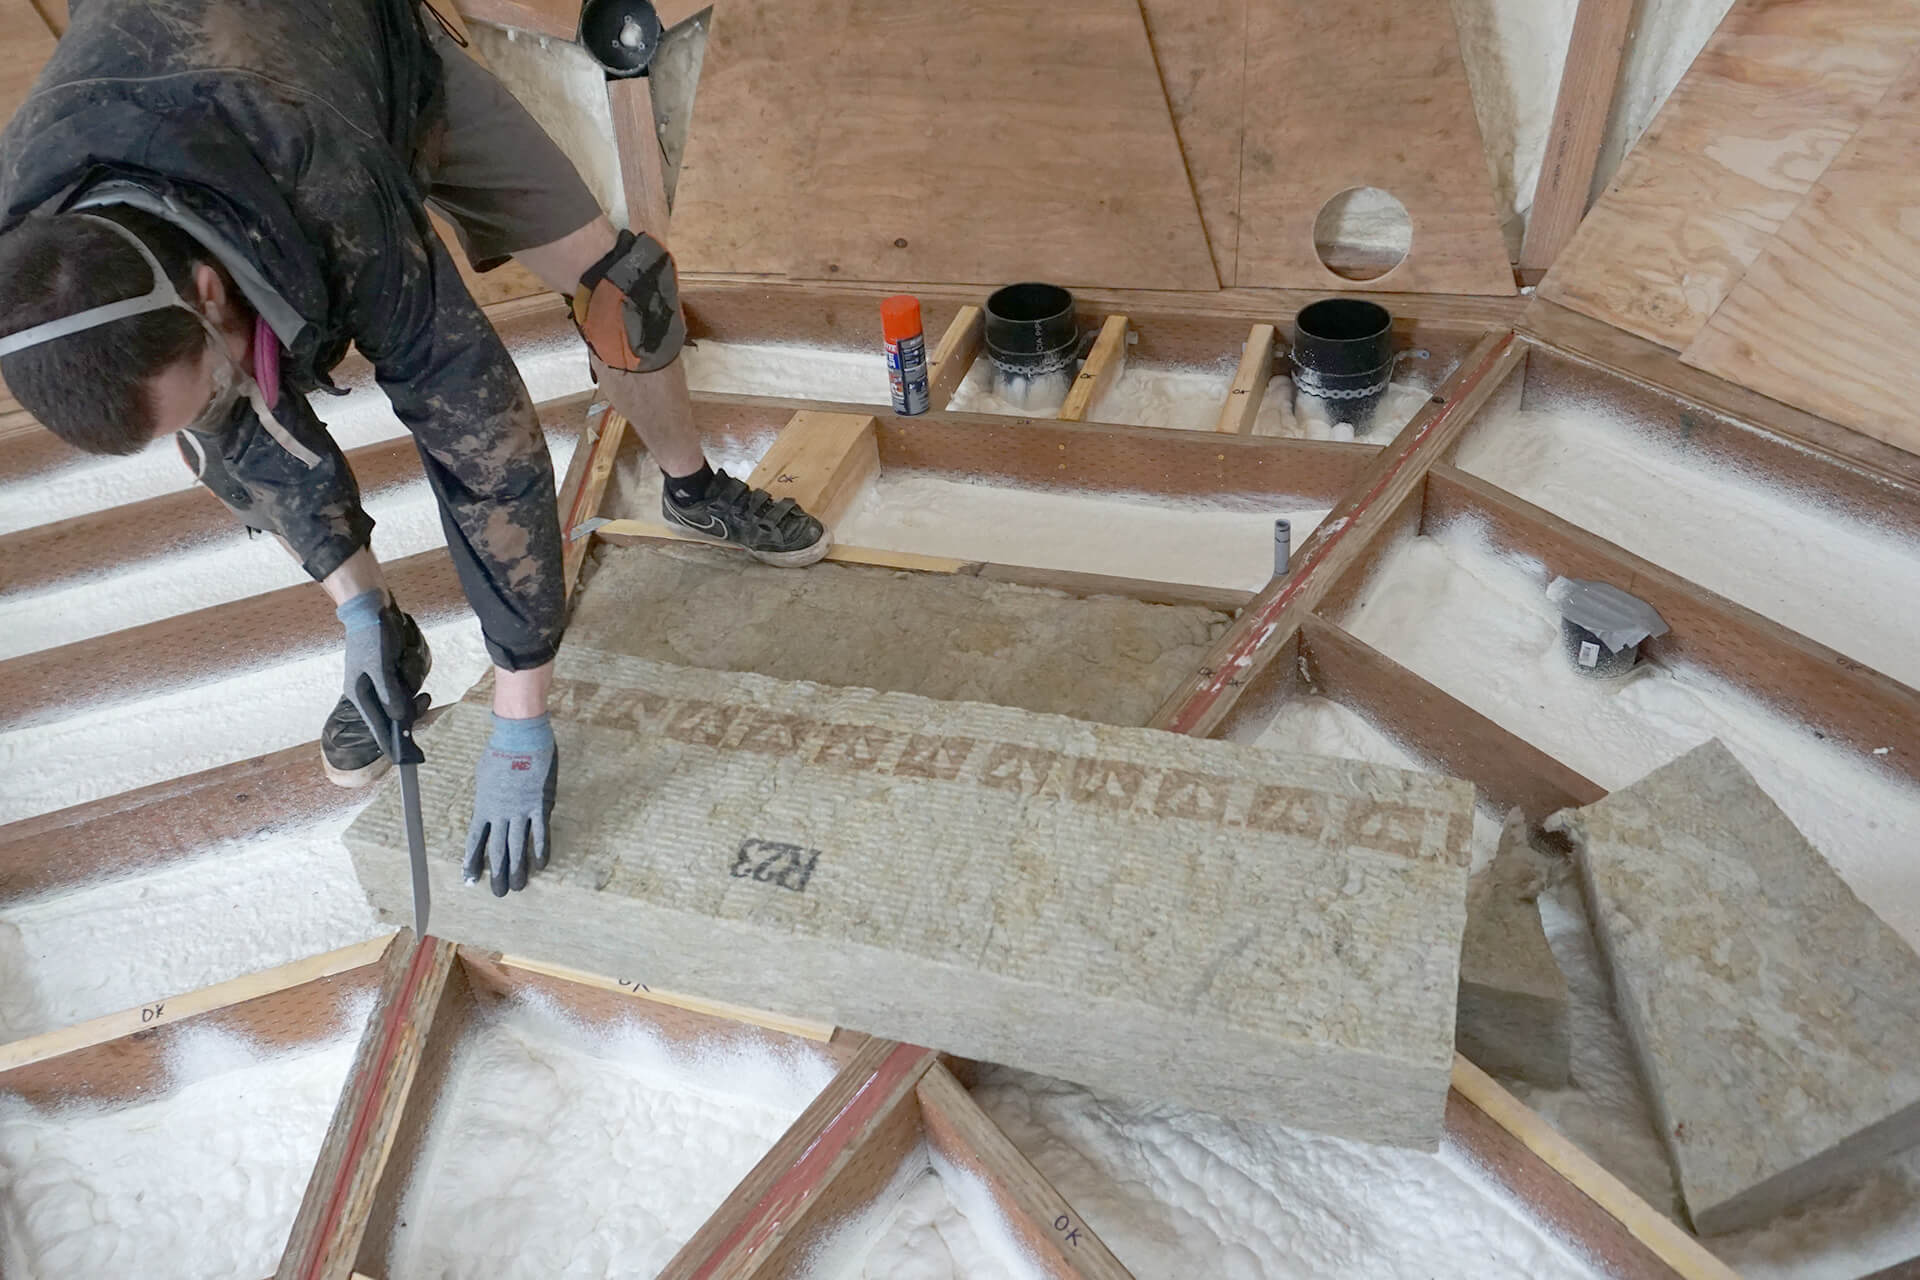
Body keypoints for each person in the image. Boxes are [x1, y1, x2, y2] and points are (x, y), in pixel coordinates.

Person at [0, 0, 830, 897]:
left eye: (204, 386)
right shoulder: (39, 243)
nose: (215, 407)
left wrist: (521, 710)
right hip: (213, 93)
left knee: (626, 297)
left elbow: (480, 440)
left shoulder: (325, 179)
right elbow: (243, 438)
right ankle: (385, 633)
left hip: (357, 61)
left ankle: (692, 486)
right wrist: (356, 612)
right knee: (217, 426)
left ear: (207, 290)